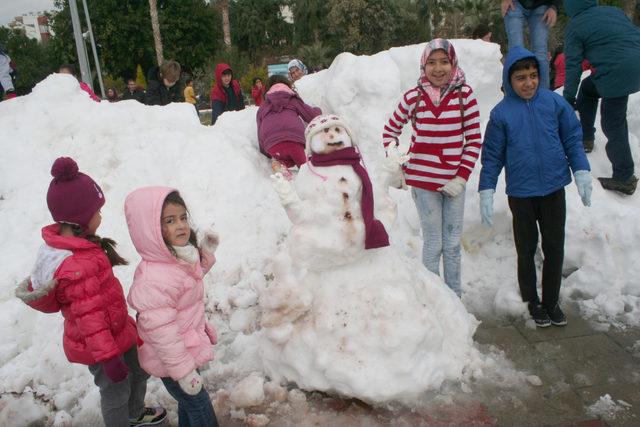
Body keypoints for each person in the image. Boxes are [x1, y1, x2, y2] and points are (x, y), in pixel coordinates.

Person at [14, 157, 167, 427]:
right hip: (101, 346)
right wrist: (108, 358)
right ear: (79, 218)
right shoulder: (75, 263)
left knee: (139, 371)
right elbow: (89, 317)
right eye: (97, 211)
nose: (100, 216)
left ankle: (135, 413)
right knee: (115, 392)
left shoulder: (84, 247)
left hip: (118, 331)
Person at [478, 47, 592, 327]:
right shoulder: (501, 114)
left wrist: (581, 169)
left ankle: (552, 301)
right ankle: (532, 300)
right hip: (521, 193)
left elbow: (572, 138)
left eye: (532, 76)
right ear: (509, 80)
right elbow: (492, 156)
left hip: (553, 188)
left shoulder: (554, 104)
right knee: (526, 248)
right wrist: (486, 188)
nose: (528, 83)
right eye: (520, 77)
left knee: (554, 247)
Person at [381, 39, 482, 297]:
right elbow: (390, 130)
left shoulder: (464, 95)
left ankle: (454, 297)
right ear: (423, 66)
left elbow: (473, 139)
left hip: (454, 184)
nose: (438, 69)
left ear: (453, 63)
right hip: (424, 183)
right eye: (432, 63)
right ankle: (434, 297)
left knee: (452, 245)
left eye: (444, 61)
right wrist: (394, 158)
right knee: (433, 243)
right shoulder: (414, 97)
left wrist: (461, 177)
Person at [125, 187, 220, 427]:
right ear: (152, 230)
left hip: (184, 348)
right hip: (172, 359)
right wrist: (184, 372)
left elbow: (187, 283)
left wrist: (205, 253)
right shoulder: (153, 278)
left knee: (190, 404)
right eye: (170, 220)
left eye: (183, 218)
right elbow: (161, 332)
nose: (180, 225)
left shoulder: (177, 257)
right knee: (199, 405)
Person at [563, 0, 640, 195]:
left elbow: (573, 65)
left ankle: (624, 177)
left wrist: (567, 97)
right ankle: (586, 136)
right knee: (588, 89)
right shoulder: (614, 11)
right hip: (635, 63)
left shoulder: (575, 26)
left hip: (616, 71)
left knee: (613, 122)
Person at [257, 75, 322, 178]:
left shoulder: (263, 107)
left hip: (272, 144)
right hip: (293, 140)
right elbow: (311, 116)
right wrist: (318, 109)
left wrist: (266, 152)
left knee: (282, 153)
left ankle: (280, 164)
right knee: (305, 168)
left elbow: (260, 133)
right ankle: (305, 174)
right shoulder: (292, 99)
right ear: (288, 86)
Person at [502, 0, 560, 89]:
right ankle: (513, 96)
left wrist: (554, 7)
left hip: (542, 4)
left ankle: (543, 95)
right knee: (516, 51)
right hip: (515, 3)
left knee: (540, 53)